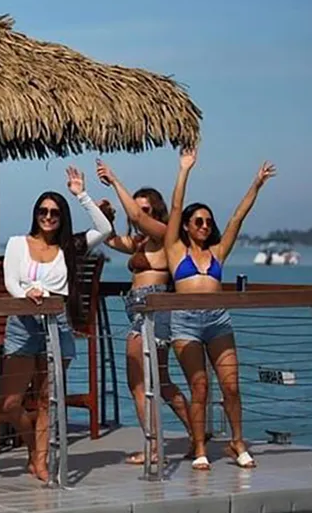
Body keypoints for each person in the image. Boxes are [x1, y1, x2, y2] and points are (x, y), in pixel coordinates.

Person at [0, 166, 112, 482]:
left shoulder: (69, 248)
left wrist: (81, 194)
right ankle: (34, 447)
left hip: (57, 323)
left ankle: (41, 460)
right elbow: (10, 282)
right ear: (35, 214)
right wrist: (26, 293)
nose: (48, 217)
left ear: (62, 218)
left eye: (55, 213)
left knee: (50, 398)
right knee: (10, 403)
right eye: (43, 211)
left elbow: (104, 228)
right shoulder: (17, 243)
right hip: (23, 323)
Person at [165, 147, 275, 471]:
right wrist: (185, 169)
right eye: (197, 221)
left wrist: (256, 185)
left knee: (231, 386)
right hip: (184, 322)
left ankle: (236, 441)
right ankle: (199, 446)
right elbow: (174, 207)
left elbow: (237, 218)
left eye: (207, 222)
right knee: (199, 387)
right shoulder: (175, 250)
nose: (204, 225)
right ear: (186, 225)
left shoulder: (218, 251)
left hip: (217, 321)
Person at [94, 159, 192, 464]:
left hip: (153, 309)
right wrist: (101, 212)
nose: (138, 216)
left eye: (146, 210)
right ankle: (197, 434)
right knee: (160, 383)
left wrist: (114, 179)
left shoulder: (166, 235)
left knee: (139, 383)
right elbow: (109, 239)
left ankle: (153, 447)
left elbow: (134, 214)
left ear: (156, 212)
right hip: (141, 310)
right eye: (139, 210)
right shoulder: (140, 242)